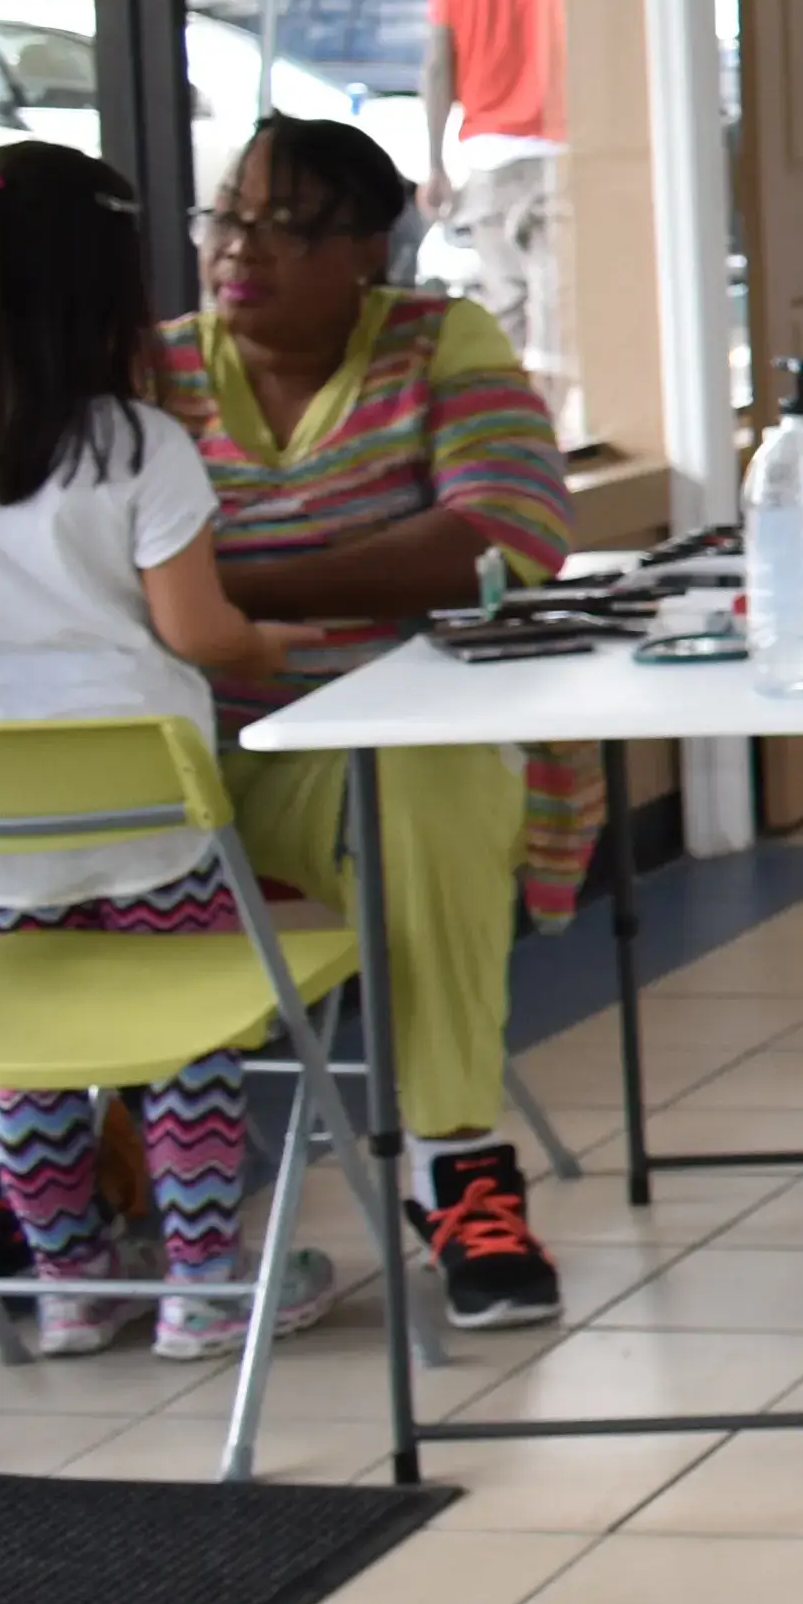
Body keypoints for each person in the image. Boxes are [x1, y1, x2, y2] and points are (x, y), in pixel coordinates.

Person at [0, 145, 346, 1361]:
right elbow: (196, 631)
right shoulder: (139, 445)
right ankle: (203, 1284)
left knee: (32, 1049)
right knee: (189, 1033)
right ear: (105, 290)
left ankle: (71, 1284)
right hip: (146, 807)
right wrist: (265, 639)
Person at [164, 118, 594, 1326]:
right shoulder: (153, 370)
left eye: (286, 226)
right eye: (227, 217)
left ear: (367, 247)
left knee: (428, 781)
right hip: (190, 755)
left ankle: (453, 1164)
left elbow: (505, 535)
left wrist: (216, 589)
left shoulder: (436, 340)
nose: (240, 249)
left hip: (368, 760)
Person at [422, 0, 564, 406]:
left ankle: (508, 428)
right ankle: (561, 432)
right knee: (562, 328)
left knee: (508, 318)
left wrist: (435, 165)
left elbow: (438, 65)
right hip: (569, 161)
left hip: (491, 163)